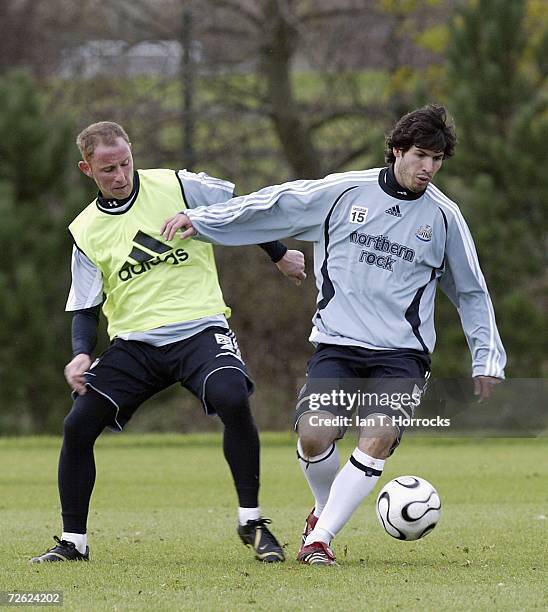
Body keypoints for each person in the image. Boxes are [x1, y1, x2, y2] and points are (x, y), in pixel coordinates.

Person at [160, 104, 506, 566]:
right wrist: (205, 220)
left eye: (438, 160)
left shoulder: (445, 218)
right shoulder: (343, 193)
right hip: (338, 345)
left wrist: (487, 359)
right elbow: (274, 204)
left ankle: (319, 538)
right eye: (421, 155)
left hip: (402, 356)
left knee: (378, 434)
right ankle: (324, 510)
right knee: (314, 437)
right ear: (396, 150)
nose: (429, 168)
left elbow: (471, 292)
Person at [31, 121, 306, 564]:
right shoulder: (85, 230)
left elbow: (238, 208)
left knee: (232, 396)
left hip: (198, 330)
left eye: (125, 163)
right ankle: (73, 543)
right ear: (87, 169)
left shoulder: (179, 185)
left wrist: (278, 253)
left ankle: (252, 523)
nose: (120, 175)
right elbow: (84, 306)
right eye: (107, 170)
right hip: (135, 346)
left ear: (132, 153)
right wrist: (81, 352)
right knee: (77, 426)